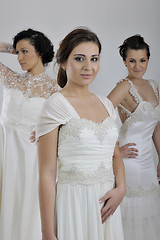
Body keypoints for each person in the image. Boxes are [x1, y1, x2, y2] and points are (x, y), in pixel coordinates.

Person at [37, 27, 125, 240]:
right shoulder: (55, 106)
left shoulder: (105, 103)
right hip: (74, 204)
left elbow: (115, 154)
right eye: (79, 58)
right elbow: (46, 174)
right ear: (64, 62)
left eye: (94, 59)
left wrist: (121, 188)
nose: (88, 67)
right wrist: (47, 233)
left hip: (108, 205)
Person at [0, 28, 59, 240]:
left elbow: (64, 128)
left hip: (31, 158)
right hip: (5, 153)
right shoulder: (11, 79)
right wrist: (12, 47)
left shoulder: (55, 90)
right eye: (17, 53)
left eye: (25, 52)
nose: (20, 58)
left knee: (28, 211)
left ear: (40, 52)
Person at [108, 34, 160, 240]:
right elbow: (99, 115)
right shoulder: (124, 86)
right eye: (132, 61)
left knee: (148, 212)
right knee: (133, 212)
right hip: (130, 160)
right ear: (124, 62)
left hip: (148, 159)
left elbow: (156, 126)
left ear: (148, 59)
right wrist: (115, 151)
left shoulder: (154, 85)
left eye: (142, 60)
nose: (138, 66)